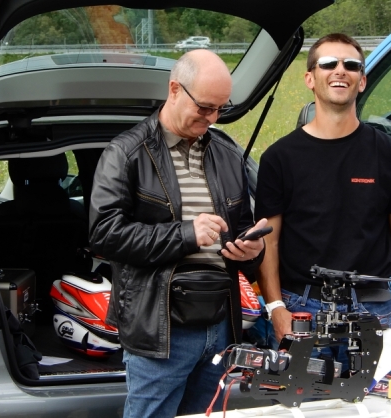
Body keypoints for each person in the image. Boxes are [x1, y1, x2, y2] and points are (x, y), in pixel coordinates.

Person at [89, 49, 268, 418]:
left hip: (221, 324)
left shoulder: (227, 153)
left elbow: (241, 228)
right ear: (174, 89)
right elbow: (104, 234)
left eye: (220, 108)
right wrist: (186, 234)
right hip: (161, 328)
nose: (212, 117)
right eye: (204, 107)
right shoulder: (126, 152)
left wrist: (254, 250)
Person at [255, 33, 391, 370]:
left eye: (352, 65)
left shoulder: (389, 153)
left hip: (373, 310)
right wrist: (275, 308)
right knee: (301, 399)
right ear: (310, 78)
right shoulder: (279, 157)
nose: (340, 70)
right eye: (329, 63)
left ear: (362, 81)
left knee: (374, 399)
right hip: (301, 309)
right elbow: (267, 241)